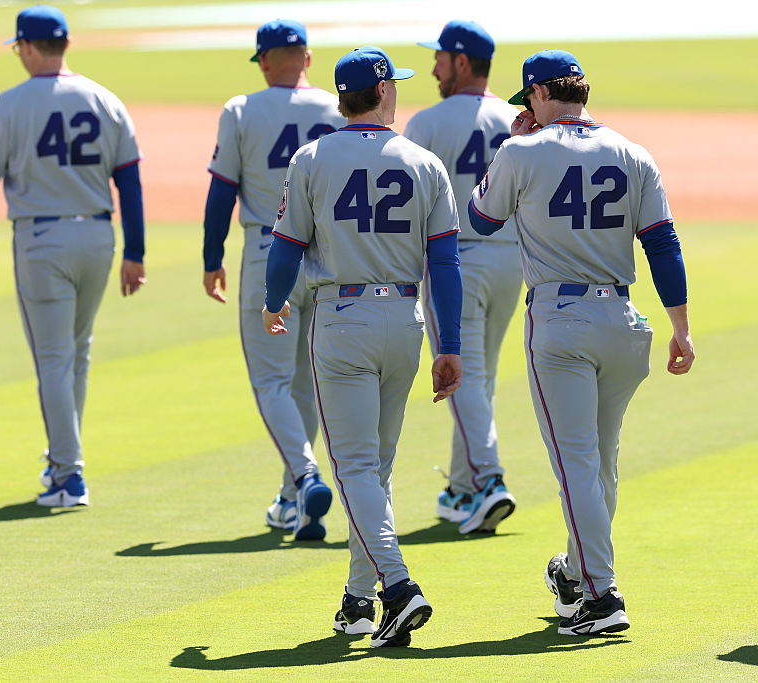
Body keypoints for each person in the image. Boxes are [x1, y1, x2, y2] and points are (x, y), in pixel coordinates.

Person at [469, 49, 694, 635]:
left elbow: (482, 219)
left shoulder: (520, 151)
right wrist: (681, 327)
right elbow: (663, 244)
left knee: (577, 464)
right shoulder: (633, 153)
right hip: (624, 320)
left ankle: (600, 594)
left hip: (560, 321)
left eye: (529, 98)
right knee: (600, 463)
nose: (528, 109)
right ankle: (577, 572)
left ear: (542, 93)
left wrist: (511, 145)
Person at [264, 46, 464, 647]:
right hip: (405, 318)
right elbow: (445, 263)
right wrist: (451, 344)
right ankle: (357, 601)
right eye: (393, 84)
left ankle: (397, 588)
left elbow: (286, 248)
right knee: (373, 469)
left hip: (342, 317)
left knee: (354, 468)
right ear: (381, 91)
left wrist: (274, 302)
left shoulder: (311, 158)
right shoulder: (424, 162)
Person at [0, 5, 146, 507]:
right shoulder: (105, 98)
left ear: (27, 46)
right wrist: (135, 250)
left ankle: (68, 475)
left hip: (42, 241)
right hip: (98, 238)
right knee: (76, 354)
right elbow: (129, 181)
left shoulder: (8, 103)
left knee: (54, 360)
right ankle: (63, 460)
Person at [203, 19, 345, 540]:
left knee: (272, 382)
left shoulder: (242, 109)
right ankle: (293, 500)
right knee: (305, 384)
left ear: (264, 60)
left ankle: (305, 478)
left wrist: (211, 257)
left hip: (269, 256)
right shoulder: (338, 108)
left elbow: (222, 191)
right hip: (327, 260)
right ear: (307, 58)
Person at [403, 20, 520, 534]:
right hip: (512, 262)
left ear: (463, 62)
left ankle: (490, 480)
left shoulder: (428, 122)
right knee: (481, 376)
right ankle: (461, 486)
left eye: (440, 58)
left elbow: (406, 203)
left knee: (461, 374)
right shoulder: (517, 120)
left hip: (455, 266)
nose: (434, 68)